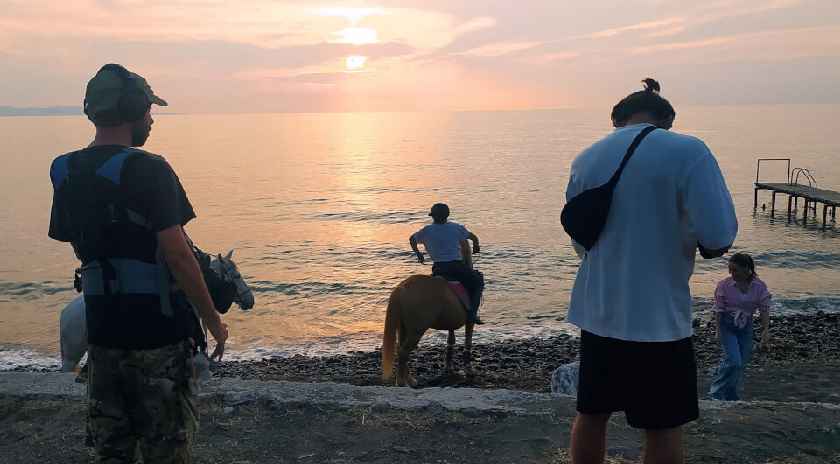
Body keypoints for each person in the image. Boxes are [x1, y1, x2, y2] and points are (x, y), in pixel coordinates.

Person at [48, 63, 228, 463]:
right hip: (157, 337)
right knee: (166, 448)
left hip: (104, 335)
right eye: (149, 109)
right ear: (132, 109)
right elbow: (179, 255)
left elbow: (80, 244)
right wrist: (213, 320)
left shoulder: (65, 170)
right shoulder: (151, 168)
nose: (152, 118)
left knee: (113, 450)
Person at [565, 78, 738, 464]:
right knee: (662, 425)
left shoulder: (586, 158)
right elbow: (719, 232)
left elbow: (581, 242)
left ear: (617, 119)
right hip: (659, 317)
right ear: (668, 119)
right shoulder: (688, 151)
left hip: (598, 312)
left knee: (592, 414)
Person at [709, 253, 771, 401]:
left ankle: (730, 395)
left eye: (735, 270)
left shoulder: (759, 286)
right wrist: (717, 331)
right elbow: (718, 309)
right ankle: (715, 393)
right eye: (730, 270)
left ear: (747, 269)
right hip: (727, 325)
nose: (731, 273)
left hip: (746, 326)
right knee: (734, 361)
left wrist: (765, 330)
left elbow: (764, 308)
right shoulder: (724, 285)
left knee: (740, 364)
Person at [410, 203, 484, 324]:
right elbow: (473, 237)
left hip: (438, 268)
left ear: (433, 217)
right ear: (447, 215)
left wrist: (418, 253)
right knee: (478, 281)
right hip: (456, 267)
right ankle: (472, 315)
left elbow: (412, 239)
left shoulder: (426, 230)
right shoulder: (456, 228)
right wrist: (476, 246)